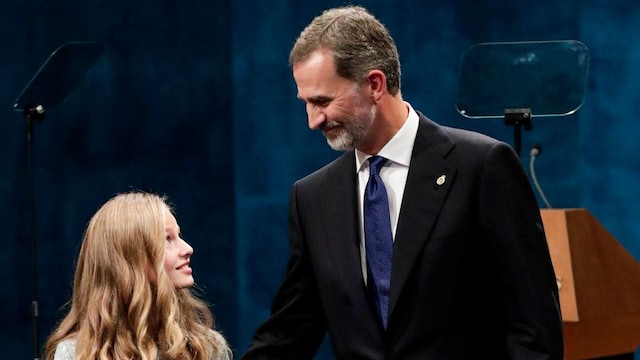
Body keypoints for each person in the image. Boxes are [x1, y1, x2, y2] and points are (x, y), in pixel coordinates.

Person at [241, 5, 563, 360]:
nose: (313, 121)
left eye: (322, 101)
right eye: (306, 103)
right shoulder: (313, 197)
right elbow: (290, 331)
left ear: (375, 84)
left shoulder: (481, 167)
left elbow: (534, 327)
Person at [44, 191, 232, 360]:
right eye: (167, 239)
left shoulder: (207, 349)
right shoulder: (76, 354)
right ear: (130, 258)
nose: (187, 249)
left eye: (178, 236)